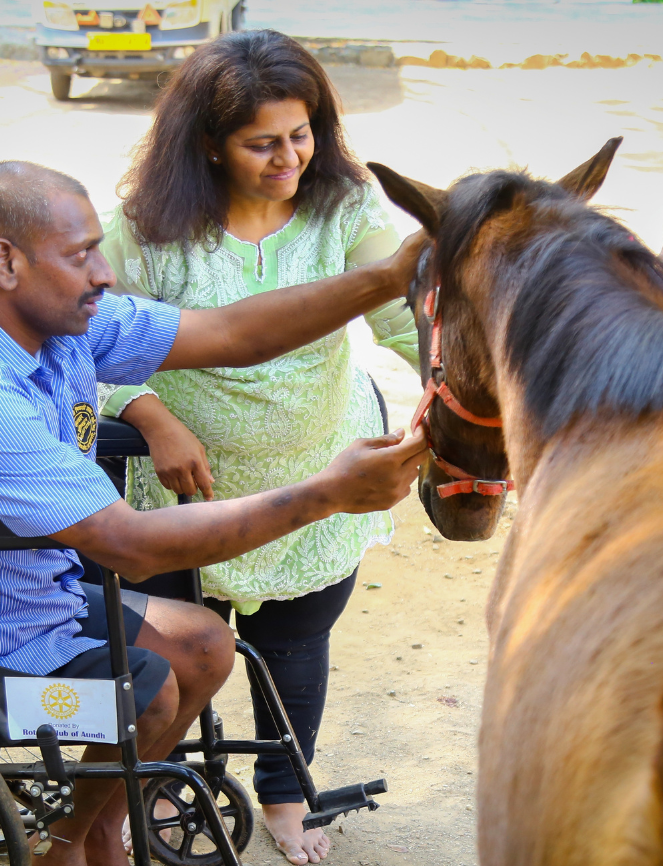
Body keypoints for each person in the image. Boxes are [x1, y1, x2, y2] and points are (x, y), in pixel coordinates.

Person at [0, 161, 426, 866]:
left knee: (205, 646)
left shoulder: (56, 326)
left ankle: (92, 827)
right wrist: (325, 495)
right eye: (80, 253)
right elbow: (129, 545)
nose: (104, 272)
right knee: (146, 693)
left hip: (19, 596)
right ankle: (65, 843)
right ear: (6, 262)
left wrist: (389, 277)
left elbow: (231, 334)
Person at [100, 30, 420, 865]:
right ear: (209, 143)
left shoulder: (344, 208)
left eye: (301, 134)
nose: (289, 158)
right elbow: (87, 346)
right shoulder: (143, 229)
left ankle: (284, 794)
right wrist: (150, 415)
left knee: (294, 649)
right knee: (171, 650)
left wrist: (454, 383)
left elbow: (402, 315)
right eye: (262, 143)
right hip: (180, 491)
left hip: (318, 472)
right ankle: (160, 783)